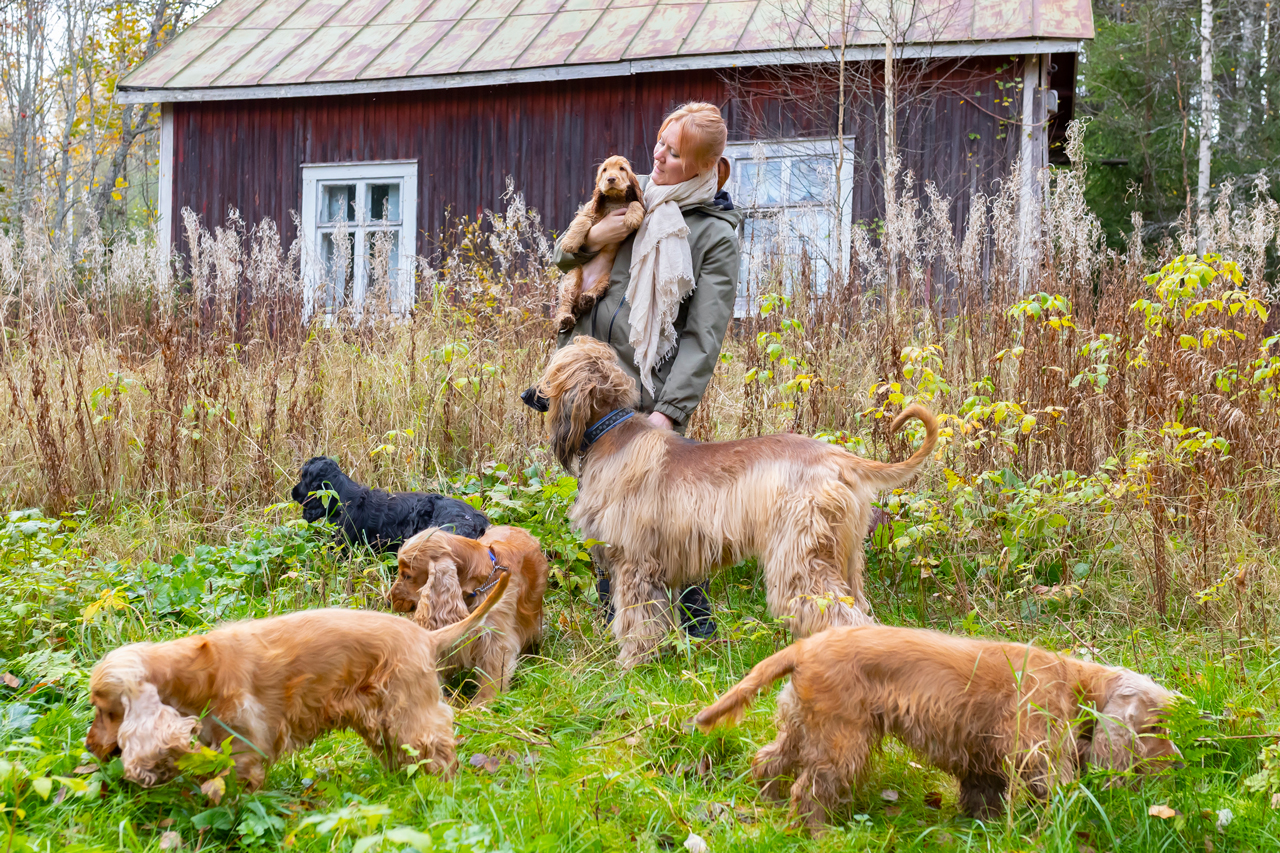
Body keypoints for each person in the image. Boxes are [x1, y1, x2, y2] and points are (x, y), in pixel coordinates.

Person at [546, 103, 742, 638]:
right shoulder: (635, 202)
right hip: (593, 387)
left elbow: (705, 335)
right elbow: (564, 261)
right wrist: (593, 237)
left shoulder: (712, 234)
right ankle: (618, 621)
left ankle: (695, 628)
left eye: (673, 152)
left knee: (662, 515)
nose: (656, 155)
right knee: (606, 510)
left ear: (702, 167)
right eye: (659, 142)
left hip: (645, 394)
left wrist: (670, 413)